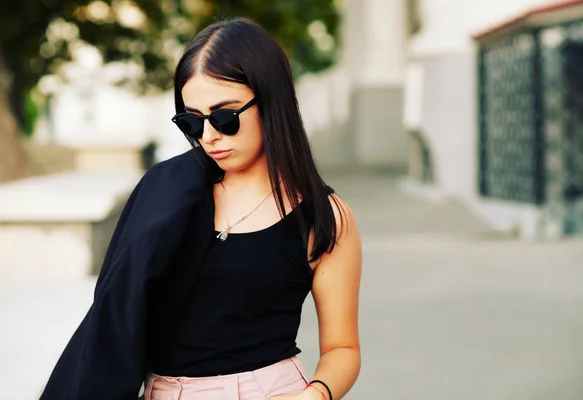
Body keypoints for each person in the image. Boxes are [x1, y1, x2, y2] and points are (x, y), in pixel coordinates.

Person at [40, 17, 362, 400]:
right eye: (192, 122)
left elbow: (343, 348)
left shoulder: (323, 216)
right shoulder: (164, 193)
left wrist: (314, 395)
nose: (209, 137)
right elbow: (113, 316)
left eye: (225, 117)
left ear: (271, 100)